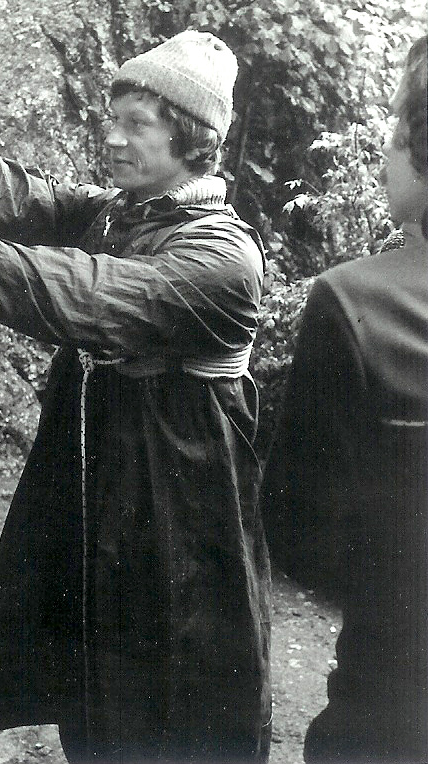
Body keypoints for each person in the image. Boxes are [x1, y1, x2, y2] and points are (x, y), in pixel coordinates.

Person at [0, 31, 272, 763]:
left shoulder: (222, 256)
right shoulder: (120, 213)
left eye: (136, 125)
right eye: (112, 120)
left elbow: (90, 294)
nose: (112, 139)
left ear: (193, 139)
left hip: (179, 510)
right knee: (94, 683)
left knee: (170, 691)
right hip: (104, 493)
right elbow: (17, 196)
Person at [260, 36, 428, 763]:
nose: (386, 150)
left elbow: (295, 527)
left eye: (398, 128)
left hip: (390, 699)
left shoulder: (356, 302)